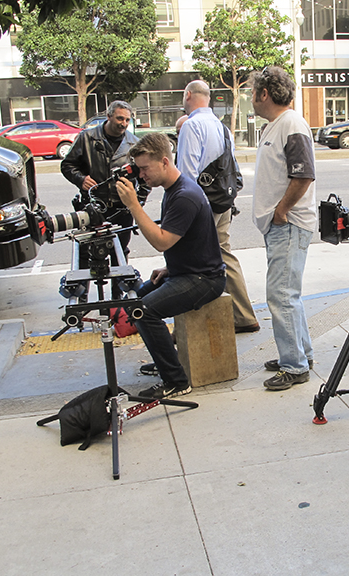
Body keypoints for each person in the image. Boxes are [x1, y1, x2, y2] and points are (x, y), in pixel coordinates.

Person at [115, 133, 225, 400]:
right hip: (186, 271)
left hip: (205, 279)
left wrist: (133, 206)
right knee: (136, 300)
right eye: (139, 169)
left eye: (145, 168)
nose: (141, 175)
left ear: (164, 162)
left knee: (145, 311)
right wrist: (170, 268)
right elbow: (183, 240)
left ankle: (176, 381)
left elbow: (161, 242)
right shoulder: (174, 189)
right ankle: (166, 359)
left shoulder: (184, 195)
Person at [250, 66, 316, 391]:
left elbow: (303, 174)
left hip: (288, 226)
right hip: (281, 226)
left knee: (281, 295)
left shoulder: (290, 123)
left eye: (253, 93)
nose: (251, 99)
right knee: (289, 295)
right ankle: (300, 353)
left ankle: (295, 366)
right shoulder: (276, 125)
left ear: (264, 93)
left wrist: (281, 211)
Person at [176, 80, 259, 334]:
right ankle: (244, 315)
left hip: (201, 205)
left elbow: (187, 173)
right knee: (223, 253)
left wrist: (186, 213)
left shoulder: (191, 125)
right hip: (223, 201)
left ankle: (189, 328)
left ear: (188, 95)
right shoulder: (222, 128)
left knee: (187, 259)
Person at [61, 101, 149, 260]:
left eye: (127, 120)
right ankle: (82, 284)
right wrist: (80, 179)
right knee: (86, 255)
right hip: (92, 209)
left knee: (120, 255)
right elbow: (67, 165)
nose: (124, 124)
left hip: (121, 211)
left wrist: (137, 203)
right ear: (108, 116)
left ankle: (120, 285)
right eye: (120, 119)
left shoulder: (135, 144)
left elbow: (145, 179)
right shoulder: (86, 138)